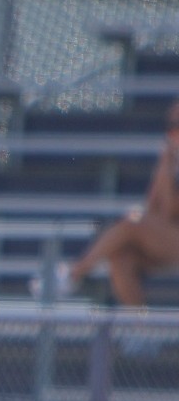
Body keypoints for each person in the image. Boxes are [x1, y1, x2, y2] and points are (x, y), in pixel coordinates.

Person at [52, 101, 179, 306]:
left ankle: (76, 272)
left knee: (131, 224)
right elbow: (153, 207)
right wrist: (165, 166)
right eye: (171, 127)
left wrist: (166, 169)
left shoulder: (171, 166)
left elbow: (169, 211)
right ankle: (141, 329)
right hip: (167, 240)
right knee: (121, 258)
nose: (174, 134)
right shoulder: (170, 162)